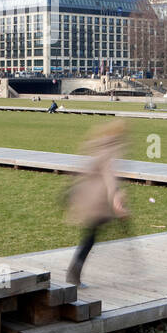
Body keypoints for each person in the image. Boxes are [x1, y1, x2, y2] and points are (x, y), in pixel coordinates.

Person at [65, 120, 130, 286]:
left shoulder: (101, 146)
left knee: (90, 236)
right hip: (98, 203)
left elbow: (89, 170)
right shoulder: (110, 151)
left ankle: (75, 272)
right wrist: (117, 201)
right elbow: (109, 179)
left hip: (90, 199)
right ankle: (74, 273)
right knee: (90, 237)